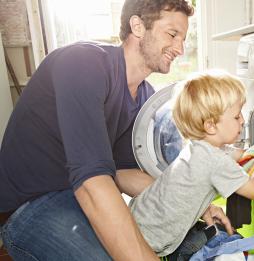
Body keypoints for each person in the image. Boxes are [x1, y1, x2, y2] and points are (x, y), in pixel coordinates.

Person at [0, 1, 233, 260]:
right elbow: (92, 184)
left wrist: (194, 206)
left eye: (183, 38)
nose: (180, 48)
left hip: (78, 196)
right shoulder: (82, 64)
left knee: (192, 238)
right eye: (172, 34)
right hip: (30, 205)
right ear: (137, 26)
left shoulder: (144, 96)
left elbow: (123, 173)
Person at [130, 70, 254, 260]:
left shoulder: (198, 147)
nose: (243, 120)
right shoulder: (216, 161)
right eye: (236, 116)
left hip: (138, 214)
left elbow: (241, 155)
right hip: (152, 237)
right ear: (210, 126)